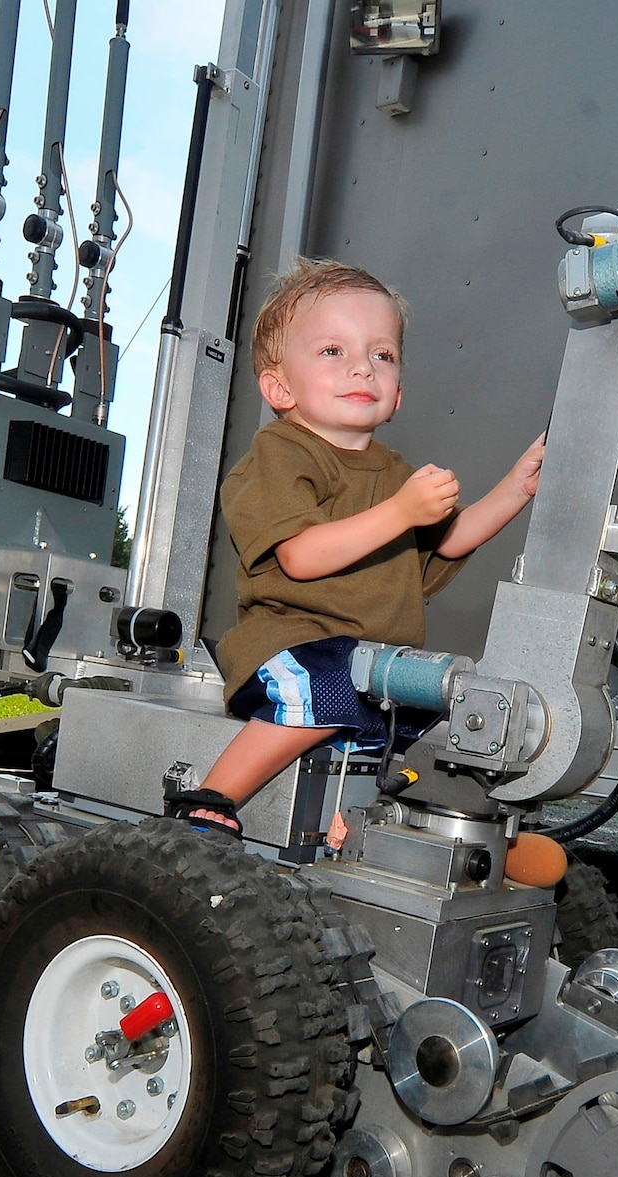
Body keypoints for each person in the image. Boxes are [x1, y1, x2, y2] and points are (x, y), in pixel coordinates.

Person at [167, 258, 544, 836]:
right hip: (292, 649)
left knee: (449, 727)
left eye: (382, 355)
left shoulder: (395, 471)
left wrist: (517, 486)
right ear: (278, 387)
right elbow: (299, 555)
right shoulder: (279, 456)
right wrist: (400, 512)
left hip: (380, 666)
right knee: (326, 688)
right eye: (332, 351)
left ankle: (420, 830)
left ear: (397, 394)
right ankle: (212, 797)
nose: (362, 368)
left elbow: (448, 542)